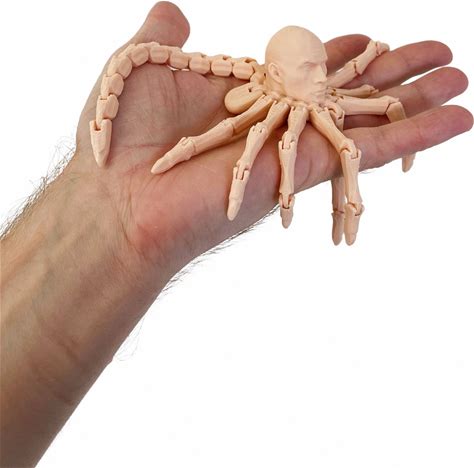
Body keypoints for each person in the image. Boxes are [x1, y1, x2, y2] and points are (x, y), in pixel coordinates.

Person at [0, 2, 472, 466]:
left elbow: (364, 111)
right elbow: (264, 137)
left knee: (349, 147)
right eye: (306, 70)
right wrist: (108, 205)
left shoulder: (323, 86)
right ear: (277, 76)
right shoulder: (262, 100)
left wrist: (105, 218)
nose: (319, 80)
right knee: (325, 147)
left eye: (321, 68)